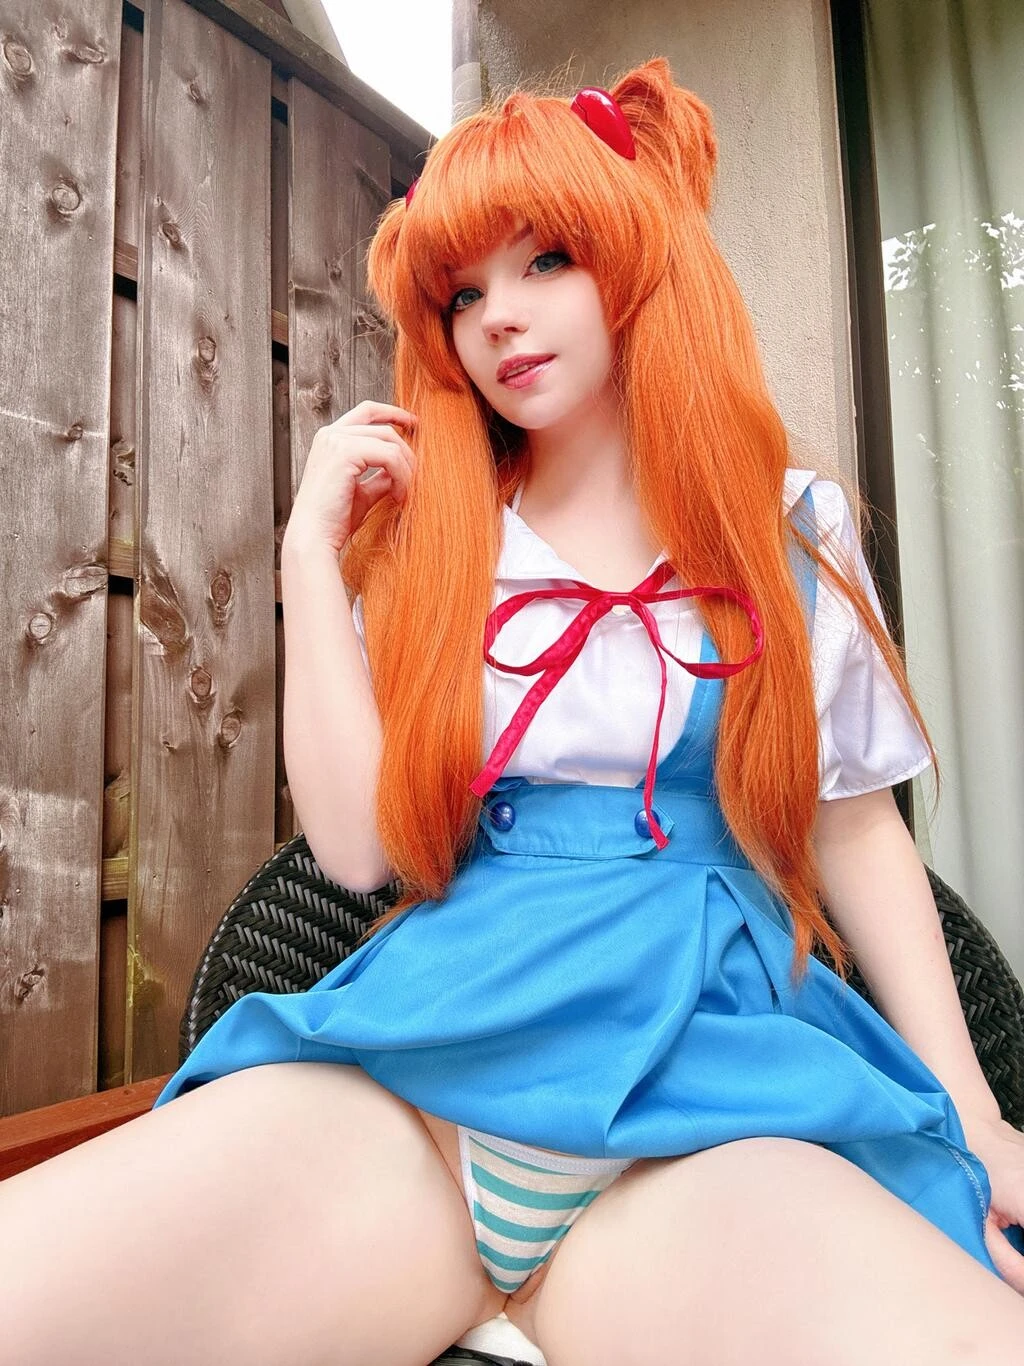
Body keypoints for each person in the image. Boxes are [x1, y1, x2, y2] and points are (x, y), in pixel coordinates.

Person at [3, 56, 1024, 1366]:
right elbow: (359, 853)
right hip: (425, 1081)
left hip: (706, 1106)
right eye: (466, 291)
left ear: (637, 257)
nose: (501, 318)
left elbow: (856, 828)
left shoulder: (785, 529)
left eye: (546, 259)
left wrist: (974, 1111)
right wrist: (310, 558)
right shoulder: (438, 544)